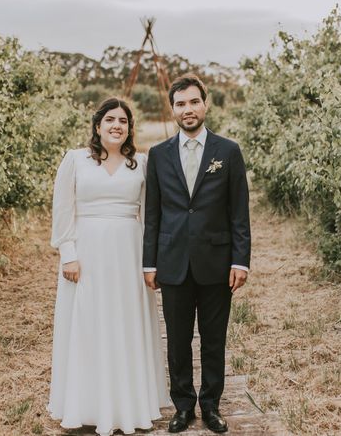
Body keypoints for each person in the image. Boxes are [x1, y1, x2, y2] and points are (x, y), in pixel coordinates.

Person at [48, 97, 170, 435]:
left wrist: (151, 261)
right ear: (98, 125)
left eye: (124, 121)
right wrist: (68, 253)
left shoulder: (141, 163)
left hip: (128, 251)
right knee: (89, 322)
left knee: (125, 321)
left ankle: (128, 404)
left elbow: (149, 216)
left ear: (130, 128)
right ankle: (87, 404)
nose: (117, 125)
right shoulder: (75, 160)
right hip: (86, 252)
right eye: (110, 120)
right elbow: (63, 210)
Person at [142, 74, 251, 434]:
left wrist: (240, 260)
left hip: (216, 263)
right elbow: (153, 214)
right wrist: (149, 262)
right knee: (177, 340)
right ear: (172, 109)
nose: (187, 110)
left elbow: (239, 211)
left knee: (213, 337)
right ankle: (183, 405)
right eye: (180, 104)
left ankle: (211, 405)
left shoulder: (228, 151)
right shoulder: (158, 155)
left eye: (193, 102)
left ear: (205, 104)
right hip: (172, 262)